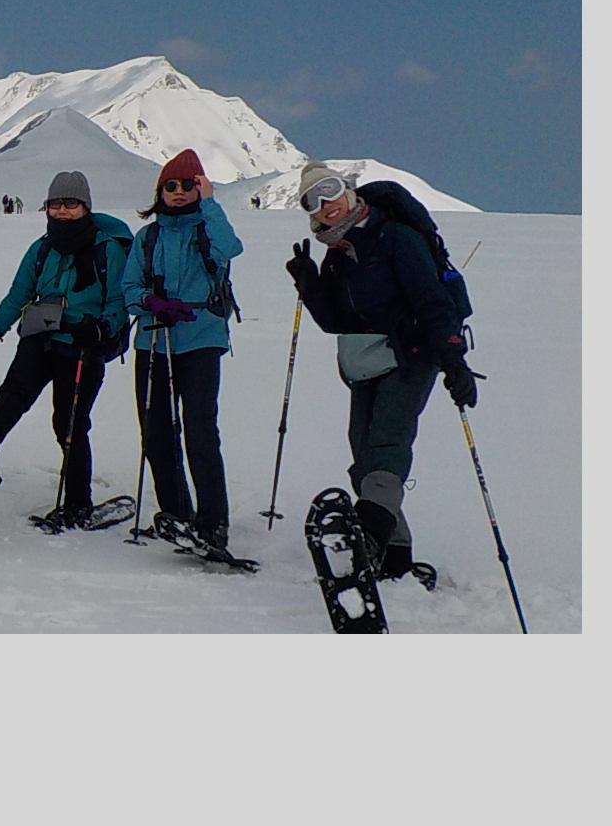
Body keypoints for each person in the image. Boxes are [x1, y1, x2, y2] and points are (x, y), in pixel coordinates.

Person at [284, 161, 479, 579]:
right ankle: (393, 556)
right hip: (367, 361)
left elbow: (433, 301)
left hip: (411, 354)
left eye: (330, 190)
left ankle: (369, 533)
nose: (325, 205)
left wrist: (453, 359)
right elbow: (338, 320)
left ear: (350, 191)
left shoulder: (396, 238)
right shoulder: (337, 256)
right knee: (364, 453)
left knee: (388, 442)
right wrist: (310, 285)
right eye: (311, 201)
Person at [0, 171, 133, 527]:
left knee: (69, 424)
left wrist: (101, 328)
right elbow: (19, 294)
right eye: (56, 204)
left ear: (86, 207)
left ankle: (77, 504)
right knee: (9, 400)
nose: (63, 212)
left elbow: (119, 300)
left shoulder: (108, 249)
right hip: (40, 338)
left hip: (83, 347)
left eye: (71, 204)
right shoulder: (41, 248)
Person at [121, 149, 244, 551]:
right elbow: (129, 287)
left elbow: (232, 249)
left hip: (201, 338)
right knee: (156, 432)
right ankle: (176, 513)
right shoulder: (149, 235)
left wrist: (209, 203)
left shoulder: (209, 230)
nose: (177, 193)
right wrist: (150, 302)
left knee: (200, 431)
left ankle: (213, 522)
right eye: (170, 186)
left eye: (187, 185)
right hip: (154, 339)